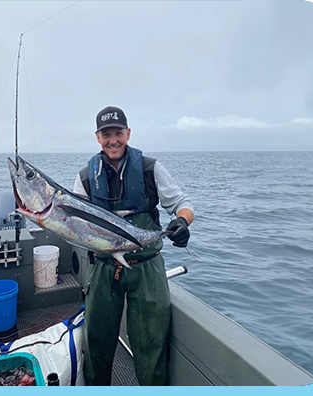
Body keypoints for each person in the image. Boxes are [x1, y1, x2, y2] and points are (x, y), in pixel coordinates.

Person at [73, 106, 194, 386]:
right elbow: (75, 223)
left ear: (128, 133)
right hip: (103, 270)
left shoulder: (151, 168)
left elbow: (182, 204)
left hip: (146, 269)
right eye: (106, 134)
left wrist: (182, 222)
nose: (112, 140)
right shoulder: (85, 177)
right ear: (97, 137)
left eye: (118, 133)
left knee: (151, 346)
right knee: (96, 345)